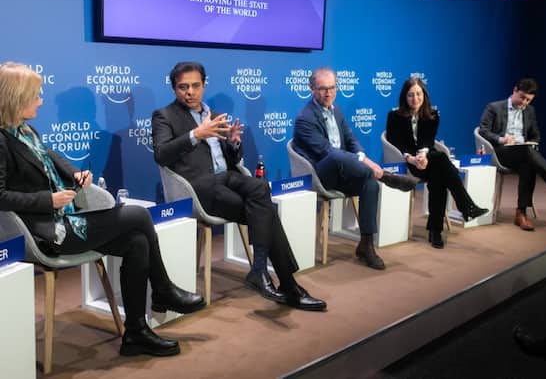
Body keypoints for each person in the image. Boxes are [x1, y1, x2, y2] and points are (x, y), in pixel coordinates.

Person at [0, 62, 206, 357]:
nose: (41, 101)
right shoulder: (2, 140)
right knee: (137, 215)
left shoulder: (24, 130)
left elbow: (49, 157)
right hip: (46, 232)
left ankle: (136, 333)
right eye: (35, 95)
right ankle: (162, 290)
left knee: (137, 242)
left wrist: (74, 173)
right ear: (16, 98)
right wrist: (47, 200)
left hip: (66, 218)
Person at [151, 61, 326, 312]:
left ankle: (260, 270)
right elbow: (161, 155)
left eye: (195, 86)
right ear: (174, 88)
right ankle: (288, 285)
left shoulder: (214, 114)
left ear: (204, 85)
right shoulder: (164, 116)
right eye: (183, 87)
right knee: (265, 211)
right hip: (197, 187)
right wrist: (196, 135)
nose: (190, 92)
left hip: (228, 177)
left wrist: (233, 143)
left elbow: (232, 160)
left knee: (261, 189)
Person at [293, 67, 418, 270]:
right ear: (312, 89)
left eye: (332, 88)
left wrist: (362, 157)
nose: (328, 93)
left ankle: (366, 245)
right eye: (323, 89)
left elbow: (351, 140)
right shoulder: (304, 118)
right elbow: (326, 151)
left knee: (370, 184)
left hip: (345, 170)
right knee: (335, 155)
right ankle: (385, 176)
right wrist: (367, 163)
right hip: (321, 175)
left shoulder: (337, 110)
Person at [386, 77, 489, 249]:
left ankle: (436, 230)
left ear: (424, 95)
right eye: (410, 95)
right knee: (441, 161)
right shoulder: (394, 116)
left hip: (427, 158)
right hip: (406, 161)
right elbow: (395, 141)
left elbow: (428, 140)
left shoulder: (432, 115)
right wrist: (411, 158)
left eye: (418, 94)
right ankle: (464, 207)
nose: (415, 99)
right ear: (405, 97)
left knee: (438, 177)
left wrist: (423, 155)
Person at [479, 78, 546, 231]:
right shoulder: (494, 107)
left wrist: (532, 142)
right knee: (527, 154)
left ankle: (521, 212)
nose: (524, 102)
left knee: (528, 163)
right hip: (501, 151)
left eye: (528, 100)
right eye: (522, 97)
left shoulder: (530, 111)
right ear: (515, 90)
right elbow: (483, 130)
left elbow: (535, 135)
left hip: (522, 152)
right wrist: (502, 139)